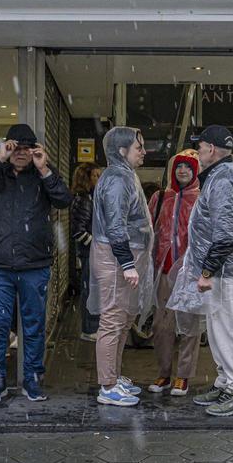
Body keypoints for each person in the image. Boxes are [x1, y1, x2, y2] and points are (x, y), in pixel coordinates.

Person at [0, 124, 72, 406]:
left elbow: (64, 200)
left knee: (34, 324)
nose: (21, 153)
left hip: (35, 263)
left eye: (27, 148)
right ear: (7, 147)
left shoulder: (42, 176)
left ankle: (33, 378)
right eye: (16, 147)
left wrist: (45, 169)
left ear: (35, 150)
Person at [187, 125, 233, 417]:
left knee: (227, 328)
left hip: (226, 270)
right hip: (225, 268)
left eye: (200, 147)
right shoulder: (223, 176)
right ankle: (226, 382)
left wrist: (207, 272)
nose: (197, 152)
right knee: (219, 327)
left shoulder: (224, 178)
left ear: (211, 149)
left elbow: (226, 235)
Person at [90, 127, 156, 407]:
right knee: (113, 319)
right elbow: (115, 225)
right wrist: (127, 262)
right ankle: (107, 385)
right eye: (138, 147)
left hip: (126, 256)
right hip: (117, 258)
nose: (144, 151)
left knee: (124, 318)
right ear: (121, 151)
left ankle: (114, 376)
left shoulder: (124, 176)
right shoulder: (117, 179)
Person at [147, 151, 202, 397]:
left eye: (188, 168)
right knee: (162, 325)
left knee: (190, 326)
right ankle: (164, 372)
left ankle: (183, 375)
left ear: (195, 172)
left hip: (190, 272)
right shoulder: (160, 198)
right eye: (178, 167)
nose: (182, 171)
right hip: (164, 270)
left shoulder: (201, 199)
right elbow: (148, 231)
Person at [69, 162, 102, 342]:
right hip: (90, 252)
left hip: (92, 252)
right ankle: (89, 328)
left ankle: (92, 326)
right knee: (90, 289)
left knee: (92, 289)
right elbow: (78, 230)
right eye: (96, 175)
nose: (99, 179)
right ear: (86, 178)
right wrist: (95, 244)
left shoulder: (89, 198)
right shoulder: (83, 199)